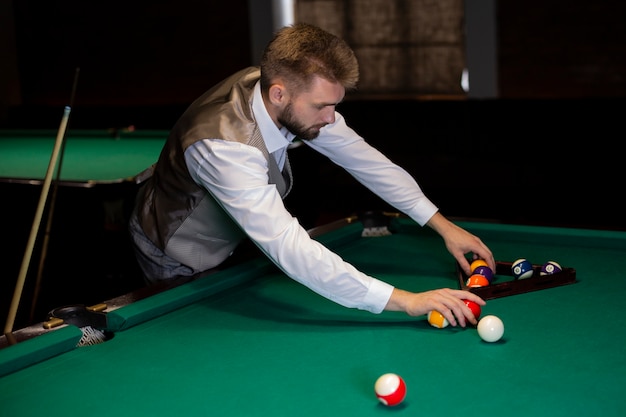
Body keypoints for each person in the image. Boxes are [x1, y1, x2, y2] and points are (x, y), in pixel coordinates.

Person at [129, 23, 495, 327]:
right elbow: (289, 247)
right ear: (278, 94)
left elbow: (367, 162)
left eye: (335, 104)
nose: (332, 117)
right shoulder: (225, 148)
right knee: (196, 335)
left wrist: (444, 227)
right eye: (323, 106)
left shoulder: (288, 89)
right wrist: (405, 301)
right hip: (175, 248)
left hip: (232, 237)